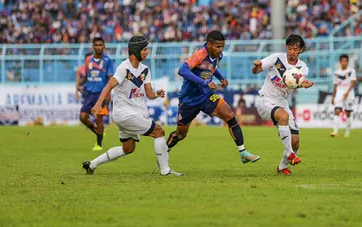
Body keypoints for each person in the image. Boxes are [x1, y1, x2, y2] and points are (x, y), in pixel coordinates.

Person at [82, 36, 183, 176]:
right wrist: (98, 104)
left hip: (130, 114)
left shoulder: (145, 70)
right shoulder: (123, 68)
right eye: (145, 49)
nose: (147, 52)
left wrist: (156, 94)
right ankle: (165, 171)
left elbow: (149, 94)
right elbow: (109, 86)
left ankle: (92, 165)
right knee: (159, 132)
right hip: (125, 113)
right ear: (136, 51)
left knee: (128, 148)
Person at [166, 30, 260, 164]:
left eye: (222, 46)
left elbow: (211, 68)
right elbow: (183, 70)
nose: (220, 49)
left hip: (206, 96)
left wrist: (221, 78)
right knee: (181, 134)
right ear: (209, 44)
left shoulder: (218, 55)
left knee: (229, 115)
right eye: (217, 46)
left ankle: (243, 152)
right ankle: (164, 151)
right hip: (189, 100)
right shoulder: (199, 54)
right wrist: (204, 82)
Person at [252, 34, 314, 176]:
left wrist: (304, 84)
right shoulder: (276, 58)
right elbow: (256, 70)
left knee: (296, 141)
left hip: (282, 103)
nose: (292, 52)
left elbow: (299, 81)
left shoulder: (302, 67)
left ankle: (282, 167)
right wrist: (256, 67)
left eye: (296, 49)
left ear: (301, 50)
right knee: (283, 116)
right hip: (265, 99)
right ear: (286, 47)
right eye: (290, 48)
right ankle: (291, 154)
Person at [77, 37, 114, 151]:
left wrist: (108, 93)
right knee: (83, 117)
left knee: (99, 119)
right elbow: (86, 75)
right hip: (88, 92)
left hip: (101, 94)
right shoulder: (88, 60)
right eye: (96, 45)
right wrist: (79, 84)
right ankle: (97, 131)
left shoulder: (108, 61)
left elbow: (110, 78)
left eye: (100, 45)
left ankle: (98, 144)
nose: (98, 47)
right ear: (93, 46)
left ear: (104, 46)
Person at [331, 54, 356, 138]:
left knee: (348, 113)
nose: (344, 62)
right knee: (337, 111)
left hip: (349, 93)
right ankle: (335, 131)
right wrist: (333, 97)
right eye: (342, 61)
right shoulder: (336, 73)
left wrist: (347, 92)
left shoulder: (351, 71)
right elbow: (335, 86)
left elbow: (352, 82)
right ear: (340, 62)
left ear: (347, 62)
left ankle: (348, 130)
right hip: (339, 93)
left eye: (345, 61)